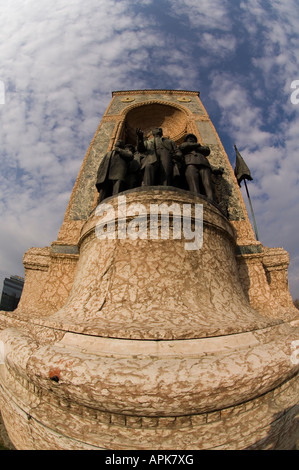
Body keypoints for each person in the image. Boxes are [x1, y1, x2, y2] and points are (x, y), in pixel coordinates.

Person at [179, 133, 215, 200]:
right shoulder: (185, 145)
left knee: (208, 183)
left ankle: (211, 200)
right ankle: (196, 199)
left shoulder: (199, 147)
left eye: (192, 138)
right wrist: (196, 146)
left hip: (203, 164)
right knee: (193, 183)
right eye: (189, 138)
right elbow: (182, 147)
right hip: (190, 163)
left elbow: (207, 150)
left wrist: (193, 147)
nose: (191, 139)